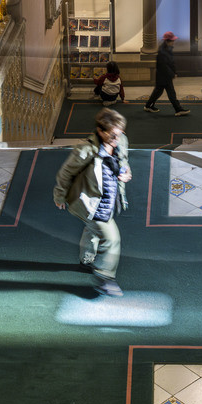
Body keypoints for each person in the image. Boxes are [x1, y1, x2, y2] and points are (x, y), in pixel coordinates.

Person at [54, 108, 131, 297]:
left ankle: (86, 260)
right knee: (112, 238)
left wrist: (126, 172)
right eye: (113, 135)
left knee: (92, 230)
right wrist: (60, 196)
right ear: (101, 131)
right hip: (90, 202)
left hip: (110, 198)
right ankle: (104, 277)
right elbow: (65, 173)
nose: (117, 138)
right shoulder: (86, 150)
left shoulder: (121, 140)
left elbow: (123, 162)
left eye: (120, 132)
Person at [143, 31, 189, 115]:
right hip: (164, 76)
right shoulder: (162, 52)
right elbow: (165, 66)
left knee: (157, 92)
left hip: (162, 76)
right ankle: (178, 109)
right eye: (172, 40)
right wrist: (172, 74)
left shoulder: (166, 49)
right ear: (168, 41)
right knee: (171, 93)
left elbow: (170, 63)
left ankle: (148, 106)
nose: (173, 42)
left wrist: (173, 72)